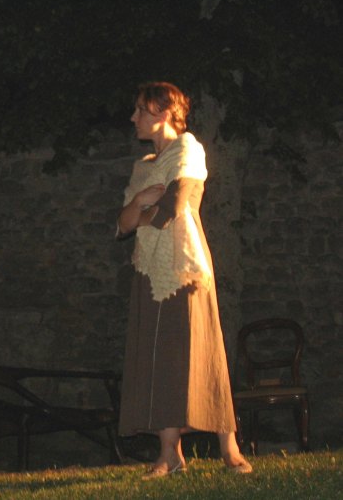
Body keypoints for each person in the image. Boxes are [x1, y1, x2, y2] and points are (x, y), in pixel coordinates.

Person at [116, 82, 251, 479]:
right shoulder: (143, 166)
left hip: (184, 266)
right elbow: (121, 225)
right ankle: (169, 454)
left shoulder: (188, 150)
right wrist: (139, 202)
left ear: (162, 113)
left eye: (140, 110)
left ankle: (229, 448)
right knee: (159, 356)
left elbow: (172, 208)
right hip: (148, 267)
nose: (133, 118)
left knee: (201, 351)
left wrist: (142, 211)